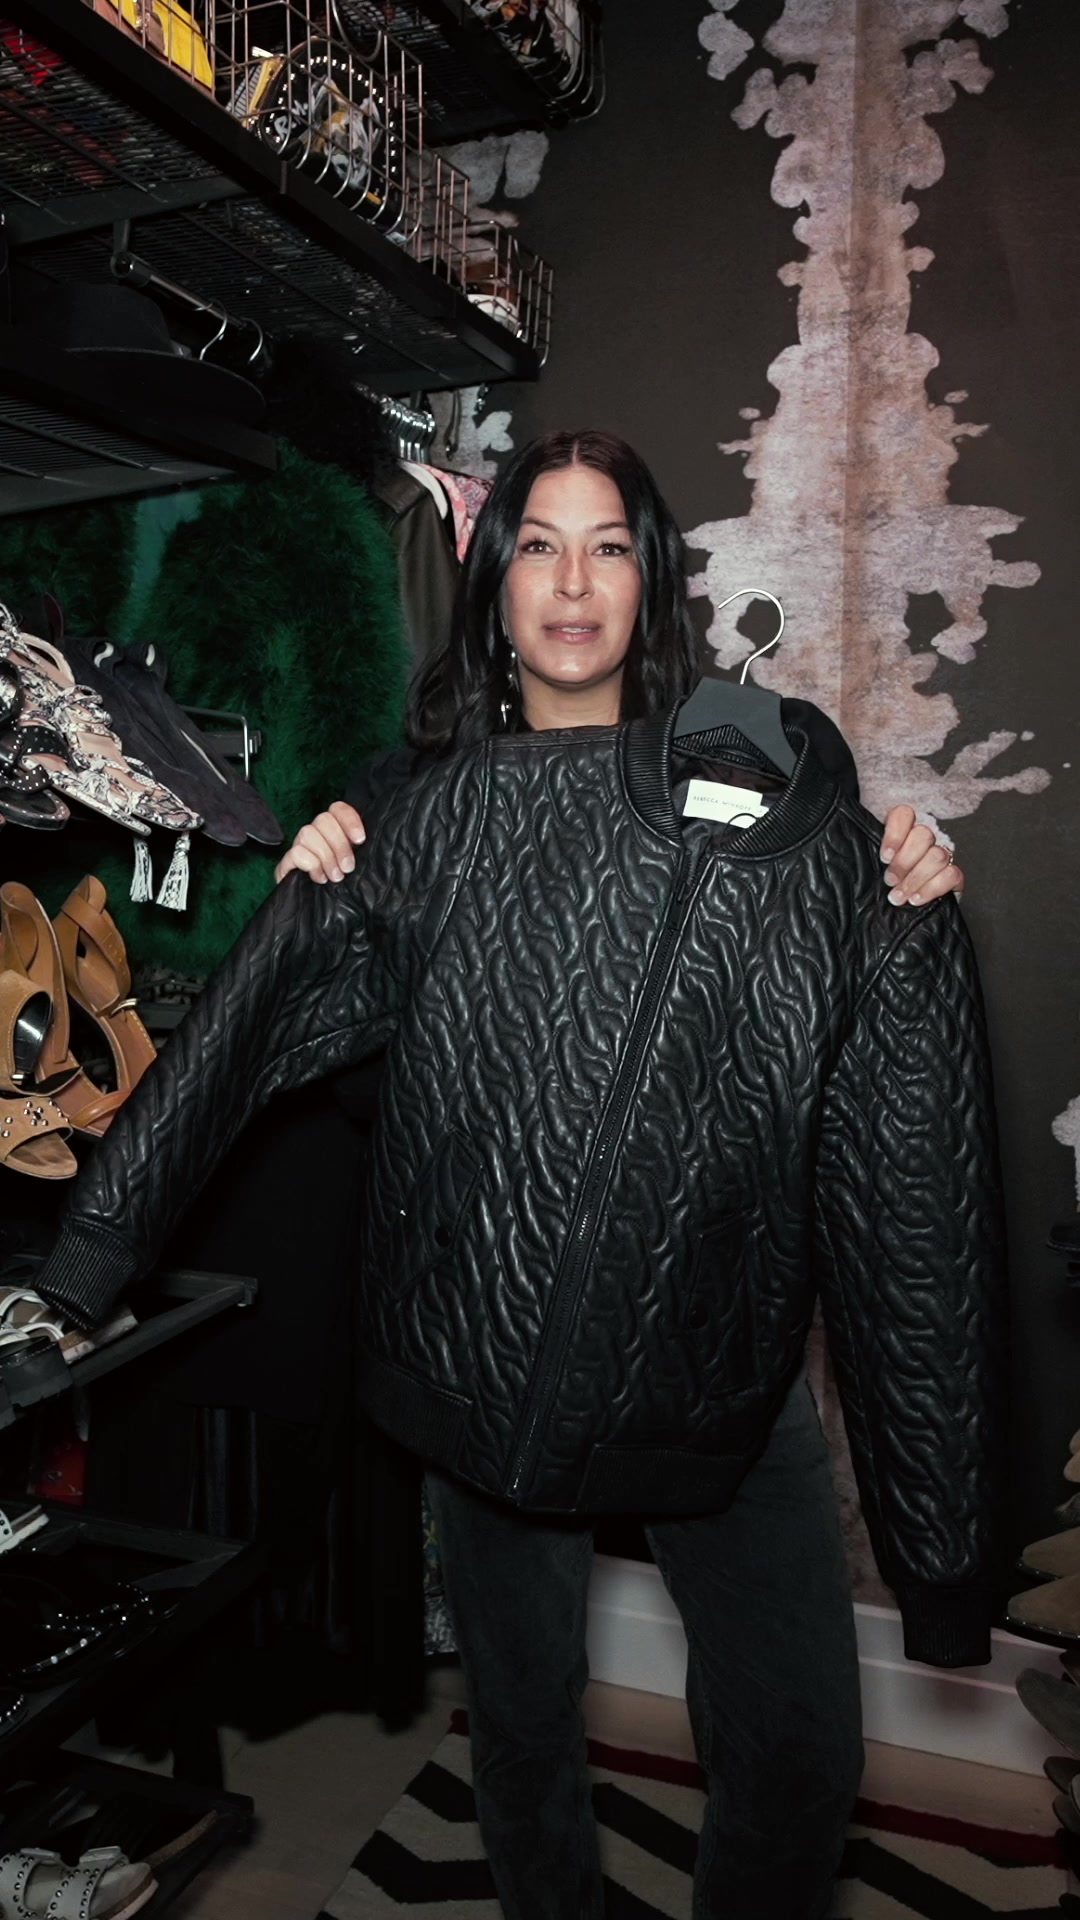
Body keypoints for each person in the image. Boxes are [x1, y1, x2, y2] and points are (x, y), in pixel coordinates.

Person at [271, 431, 971, 1919]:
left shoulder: (760, 775)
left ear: (650, 581)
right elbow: (360, 1096)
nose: (573, 584)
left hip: (719, 1343)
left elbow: (834, 1034)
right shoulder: (413, 797)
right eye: (538, 544)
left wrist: (903, 888)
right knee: (522, 1725)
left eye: (607, 548)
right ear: (493, 580)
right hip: (494, 1332)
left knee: (798, 1747)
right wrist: (318, 930)